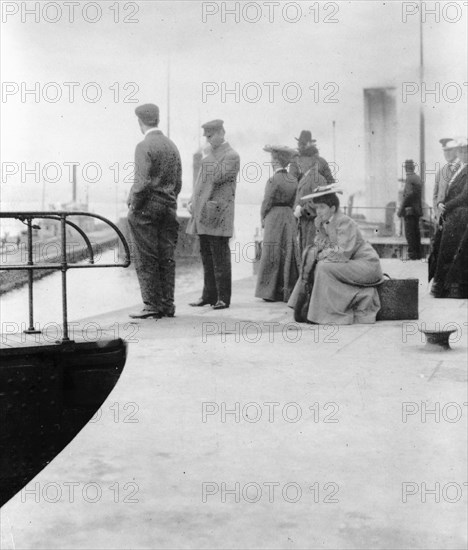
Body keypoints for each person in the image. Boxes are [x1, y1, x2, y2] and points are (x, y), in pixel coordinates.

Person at [288, 185, 384, 325]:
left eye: (322, 207)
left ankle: (329, 315)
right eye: (317, 207)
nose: (318, 211)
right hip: (352, 263)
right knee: (312, 263)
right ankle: (303, 305)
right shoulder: (327, 222)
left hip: (367, 265)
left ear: (332, 208)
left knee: (323, 267)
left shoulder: (344, 221)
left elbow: (343, 253)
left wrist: (321, 255)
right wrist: (320, 230)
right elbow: (323, 246)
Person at [127, 103, 182, 319]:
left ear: (140, 122)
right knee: (166, 257)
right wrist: (169, 199)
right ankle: (168, 305)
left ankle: (151, 305)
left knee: (146, 257)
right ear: (157, 119)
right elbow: (178, 182)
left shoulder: (143, 146)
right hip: (168, 208)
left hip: (147, 210)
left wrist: (133, 204)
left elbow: (142, 183)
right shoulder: (172, 146)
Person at [187, 119, 240, 310]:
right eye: (206, 137)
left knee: (220, 258)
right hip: (204, 212)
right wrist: (193, 199)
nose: (208, 140)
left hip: (219, 213)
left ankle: (223, 298)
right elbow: (200, 183)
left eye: (210, 136)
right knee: (207, 257)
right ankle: (208, 295)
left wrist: (207, 156)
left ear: (221, 133)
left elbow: (215, 177)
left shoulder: (231, 156)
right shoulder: (210, 156)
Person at [255, 145, 300, 302]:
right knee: (287, 251)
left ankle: (269, 292)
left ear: (276, 161)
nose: (271, 161)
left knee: (271, 252)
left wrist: (262, 217)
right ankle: (285, 289)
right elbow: (295, 200)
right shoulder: (293, 180)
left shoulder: (273, 180)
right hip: (288, 216)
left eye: (272, 159)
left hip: (274, 216)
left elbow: (267, 202)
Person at [430, 138, 468, 298]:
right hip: (451, 216)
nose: (463, 154)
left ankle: (450, 289)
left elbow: (465, 195)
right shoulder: (457, 168)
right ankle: (443, 287)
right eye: (461, 151)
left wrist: (447, 205)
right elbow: (439, 193)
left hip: (459, 216)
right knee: (445, 253)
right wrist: (440, 205)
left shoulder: (463, 168)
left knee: (454, 254)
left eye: (465, 151)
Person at [293, 162, 327, 254]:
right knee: (304, 255)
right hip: (303, 225)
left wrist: (302, 210)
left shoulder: (317, 179)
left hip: (313, 225)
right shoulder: (304, 177)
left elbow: (319, 204)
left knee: (311, 256)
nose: (299, 163)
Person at [397, 160, 423, 260]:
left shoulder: (409, 179)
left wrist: (400, 210)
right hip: (416, 210)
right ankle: (418, 254)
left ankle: (412, 255)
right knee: (416, 233)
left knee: (410, 233)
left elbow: (408, 195)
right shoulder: (417, 178)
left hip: (409, 211)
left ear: (406, 168)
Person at [433, 139, 460, 223]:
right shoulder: (441, 172)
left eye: (449, 150)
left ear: (457, 151)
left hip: (458, 218)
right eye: (445, 150)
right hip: (442, 219)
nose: (447, 153)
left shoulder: (463, 169)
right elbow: (435, 195)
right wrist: (437, 213)